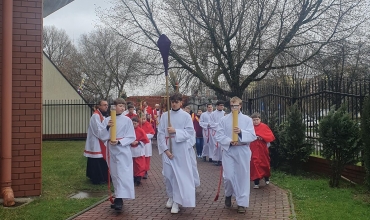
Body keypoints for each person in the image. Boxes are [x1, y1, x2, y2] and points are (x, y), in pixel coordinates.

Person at [157, 93, 200, 214]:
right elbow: (160, 133)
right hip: (168, 149)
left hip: (180, 149)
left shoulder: (186, 116)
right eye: (173, 101)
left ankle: (177, 201)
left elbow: (190, 132)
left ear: (181, 102)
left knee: (177, 176)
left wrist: (175, 131)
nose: (174, 103)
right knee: (168, 175)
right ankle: (170, 196)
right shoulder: (165, 116)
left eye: (177, 101)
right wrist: (165, 150)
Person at [215, 96, 257, 213]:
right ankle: (228, 194)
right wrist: (229, 141)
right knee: (228, 176)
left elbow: (253, 136)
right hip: (229, 150)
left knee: (242, 177)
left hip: (242, 150)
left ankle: (242, 203)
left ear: (240, 106)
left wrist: (241, 132)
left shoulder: (247, 120)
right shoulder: (224, 120)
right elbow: (218, 135)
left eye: (236, 105)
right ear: (230, 106)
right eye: (232, 105)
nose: (234, 107)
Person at [98, 98, 136, 211]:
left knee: (123, 173)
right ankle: (118, 196)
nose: (122, 108)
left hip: (122, 150)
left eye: (123, 106)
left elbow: (131, 136)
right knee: (115, 174)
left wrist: (120, 141)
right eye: (120, 105)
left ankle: (119, 198)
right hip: (111, 150)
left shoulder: (127, 120)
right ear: (113, 107)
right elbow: (101, 135)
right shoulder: (107, 120)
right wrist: (107, 127)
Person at [84, 100, 109, 184]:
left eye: (107, 105)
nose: (106, 106)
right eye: (104, 105)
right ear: (99, 106)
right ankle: (97, 178)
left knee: (99, 159)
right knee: (96, 159)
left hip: (99, 140)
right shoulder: (96, 116)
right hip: (96, 141)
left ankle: (101, 177)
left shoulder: (101, 115)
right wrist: (107, 130)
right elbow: (98, 130)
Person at [250, 112, 275, 189]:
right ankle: (256, 182)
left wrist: (263, 138)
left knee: (265, 163)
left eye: (257, 119)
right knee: (254, 163)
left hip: (262, 148)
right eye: (254, 120)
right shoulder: (250, 127)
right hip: (253, 148)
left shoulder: (264, 126)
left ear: (260, 119)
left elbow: (269, 136)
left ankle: (266, 177)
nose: (255, 121)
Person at [131, 117, 150, 186]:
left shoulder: (141, 130)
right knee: (133, 164)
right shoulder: (129, 130)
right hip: (131, 150)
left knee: (139, 164)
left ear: (138, 123)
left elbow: (145, 140)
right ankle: (134, 177)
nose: (133, 125)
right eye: (132, 124)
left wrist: (138, 142)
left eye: (135, 124)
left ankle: (139, 177)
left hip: (139, 149)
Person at [139, 115, 155, 179]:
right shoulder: (138, 125)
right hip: (139, 143)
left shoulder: (148, 125)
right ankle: (140, 172)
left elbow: (152, 134)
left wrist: (144, 136)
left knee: (146, 157)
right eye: (142, 119)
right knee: (140, 157)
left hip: (146, 144)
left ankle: (145, 171)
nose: (143, 120)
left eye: (144, 119)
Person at [210, 101, 225, 166]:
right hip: (215, 132)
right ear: (217, 106)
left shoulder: (224, 113)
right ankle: (216, 159)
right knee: (216, 146)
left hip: (223, 132)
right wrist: (219, 125)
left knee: (222, 146)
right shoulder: (213, 114)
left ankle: (221, 160)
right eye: (220, 105)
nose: (222, 106)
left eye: (222, 105)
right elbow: (211, 123)